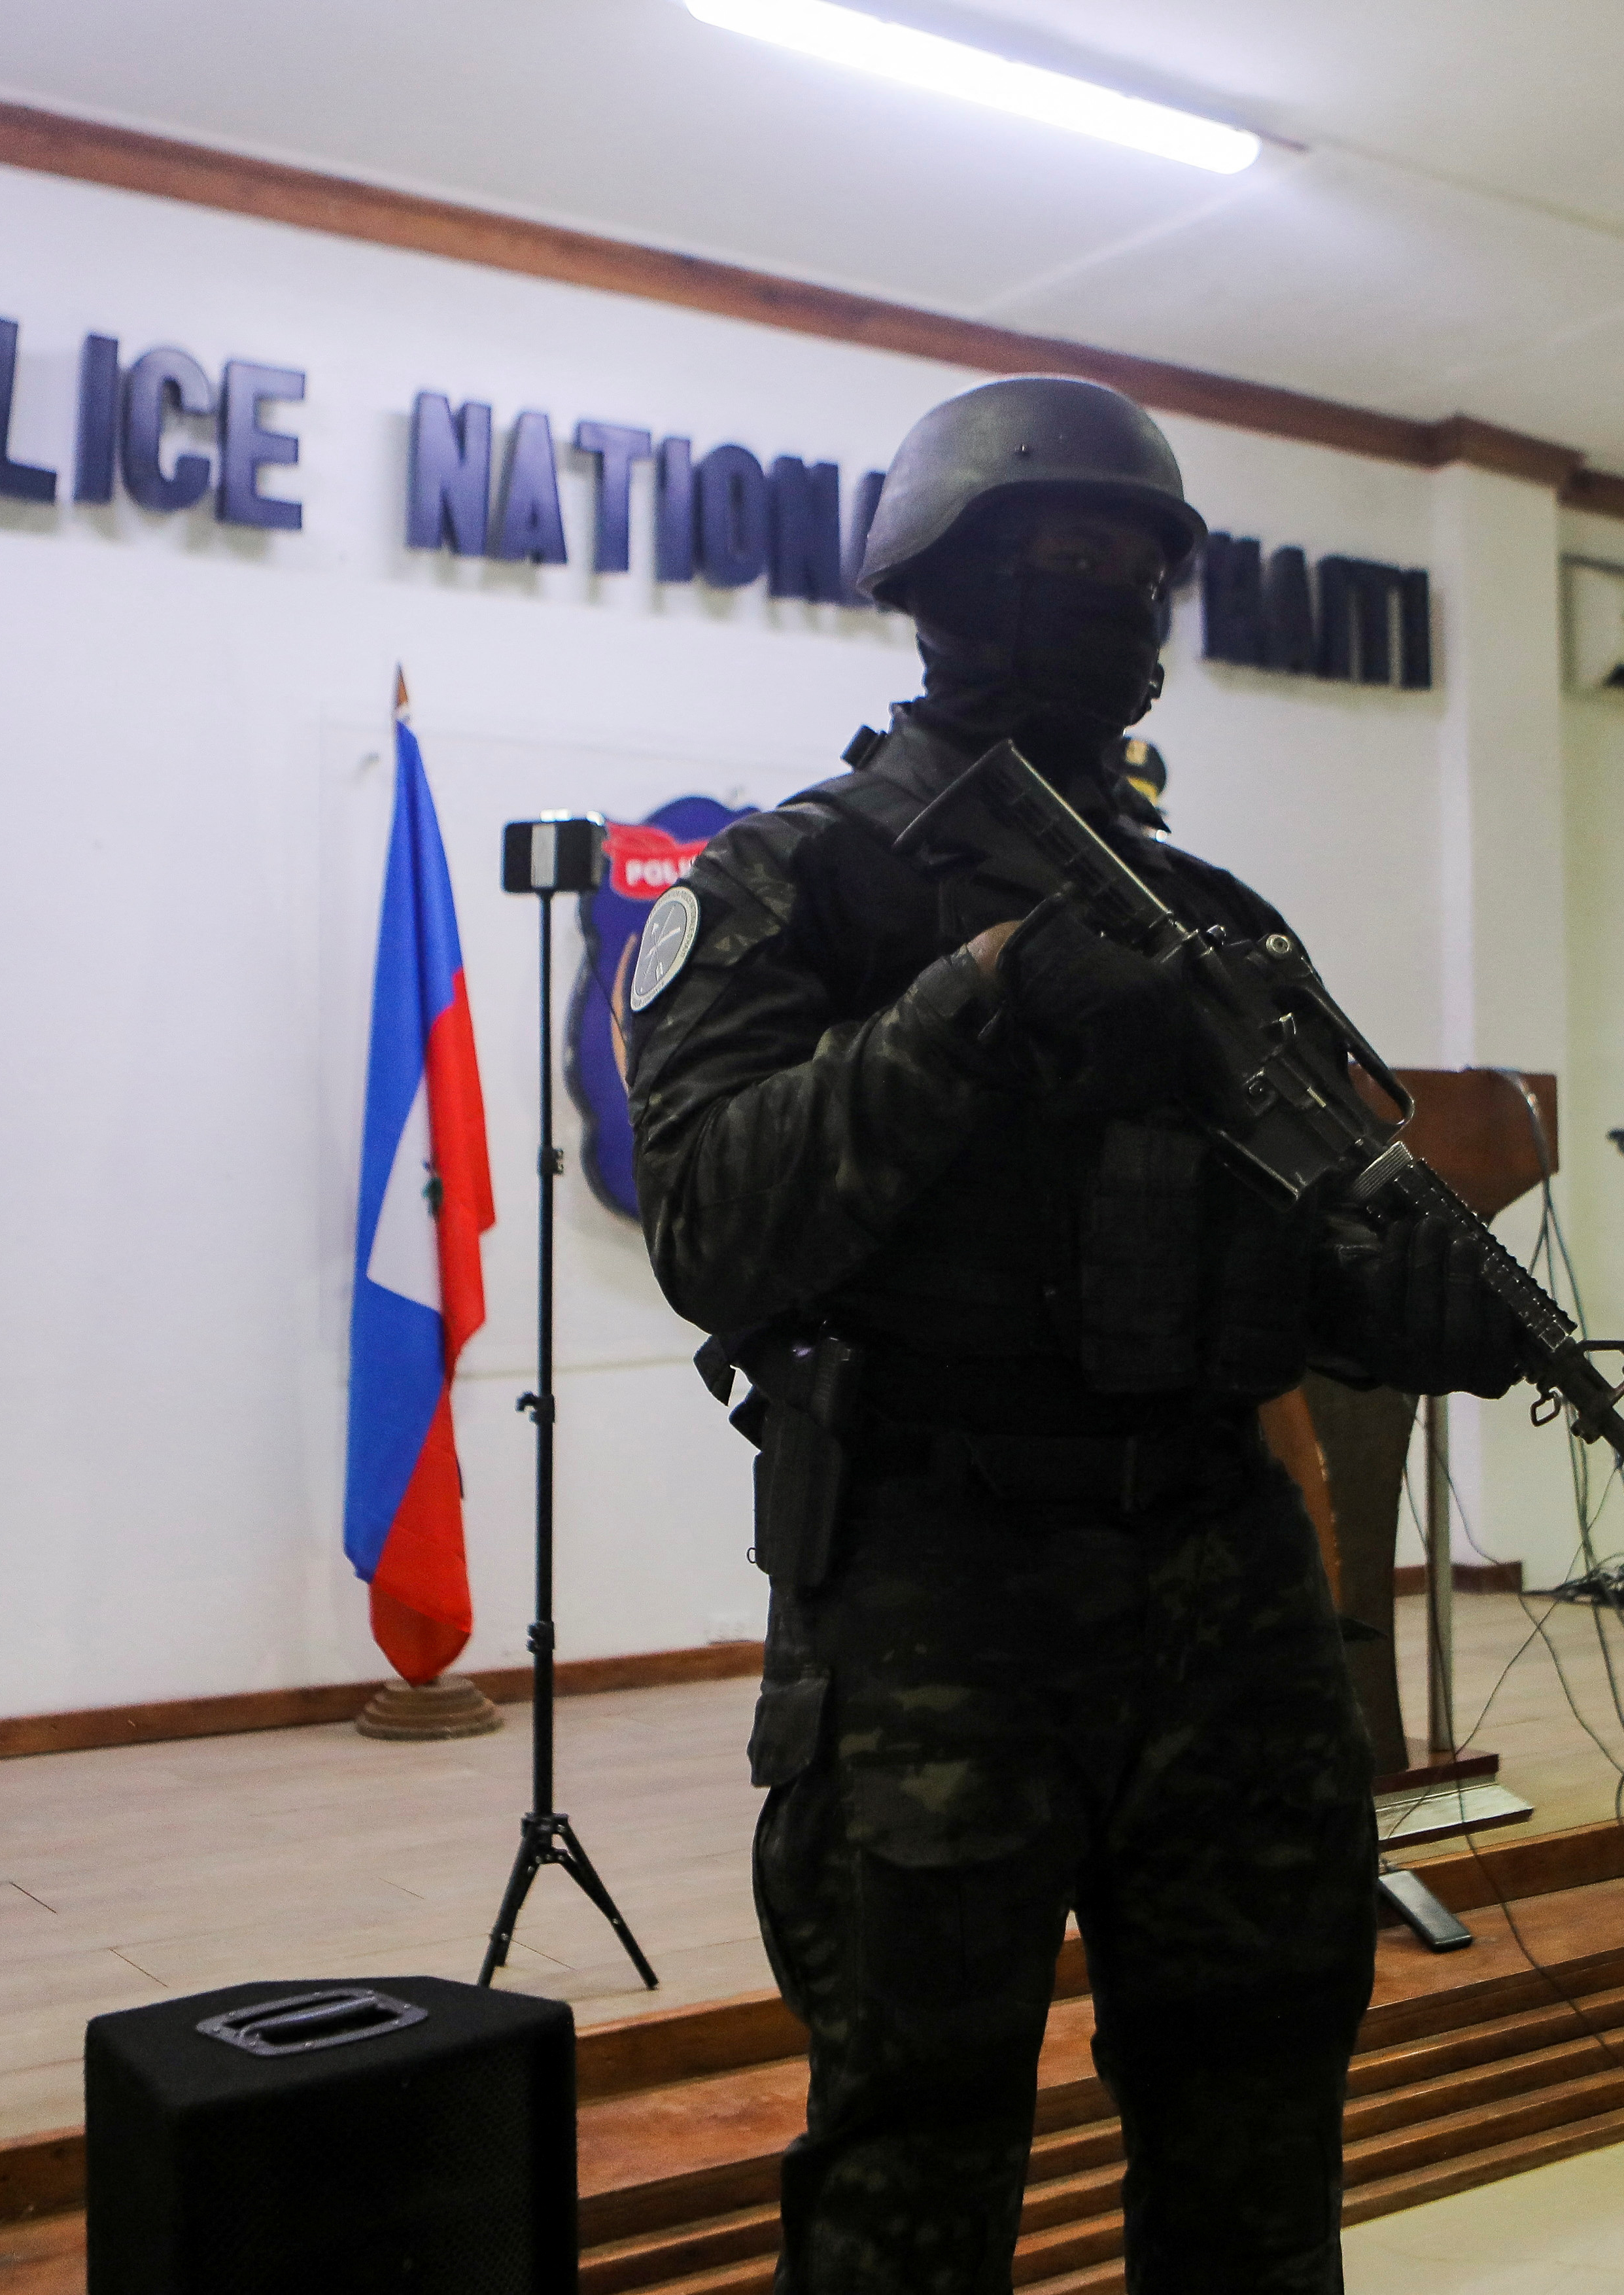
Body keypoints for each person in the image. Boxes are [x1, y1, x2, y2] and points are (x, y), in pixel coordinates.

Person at [624, 376, 1521, 2292]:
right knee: (914, 2158)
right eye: (1061, 562)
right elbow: (709, 1221)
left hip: (1220, 1585)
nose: (1107, 604)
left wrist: (1429, 1293)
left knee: (1257, 2125)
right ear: (944, 581)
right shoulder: (793, 883)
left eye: (1137, 572)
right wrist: (980, 1001)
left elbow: (1335, 1228)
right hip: (936, 1585)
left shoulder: (1210, 923)